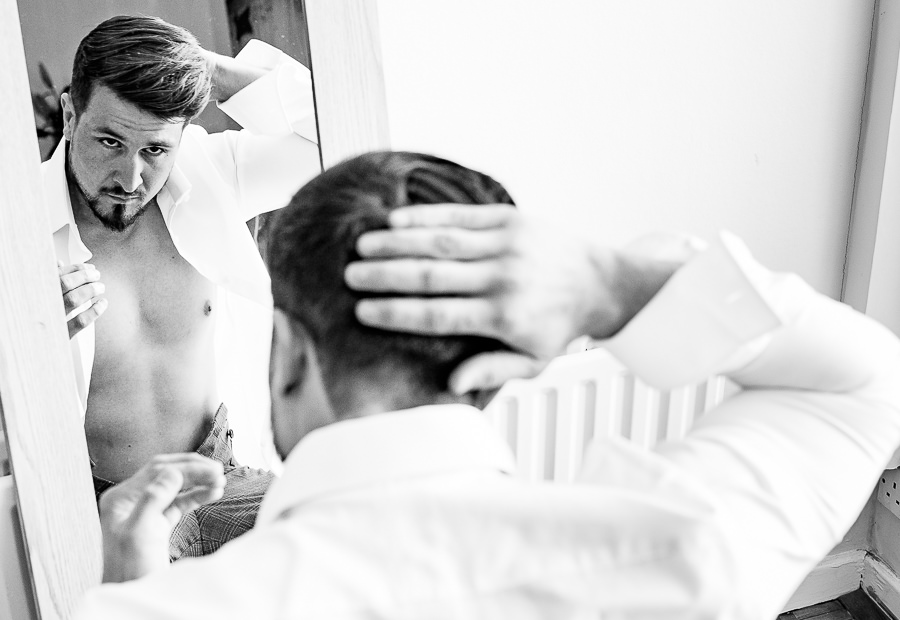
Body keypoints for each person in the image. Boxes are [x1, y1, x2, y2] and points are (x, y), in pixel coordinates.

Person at [77, 150, 900, 619]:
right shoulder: (683, 549)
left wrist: (136, 587)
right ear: (511, 361)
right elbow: (863, 385)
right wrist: (611, 286)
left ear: (287, 351)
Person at [43, 15, 320, 559]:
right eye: (108, 141)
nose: (129, 179)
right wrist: (33, 337)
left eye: (154, 151)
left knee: (332, 551)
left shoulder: (209, 173)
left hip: (220, 481)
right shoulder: (18, 233)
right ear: (70, 113)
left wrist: (207, 70)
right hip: (107, 508)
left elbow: (333, 137)